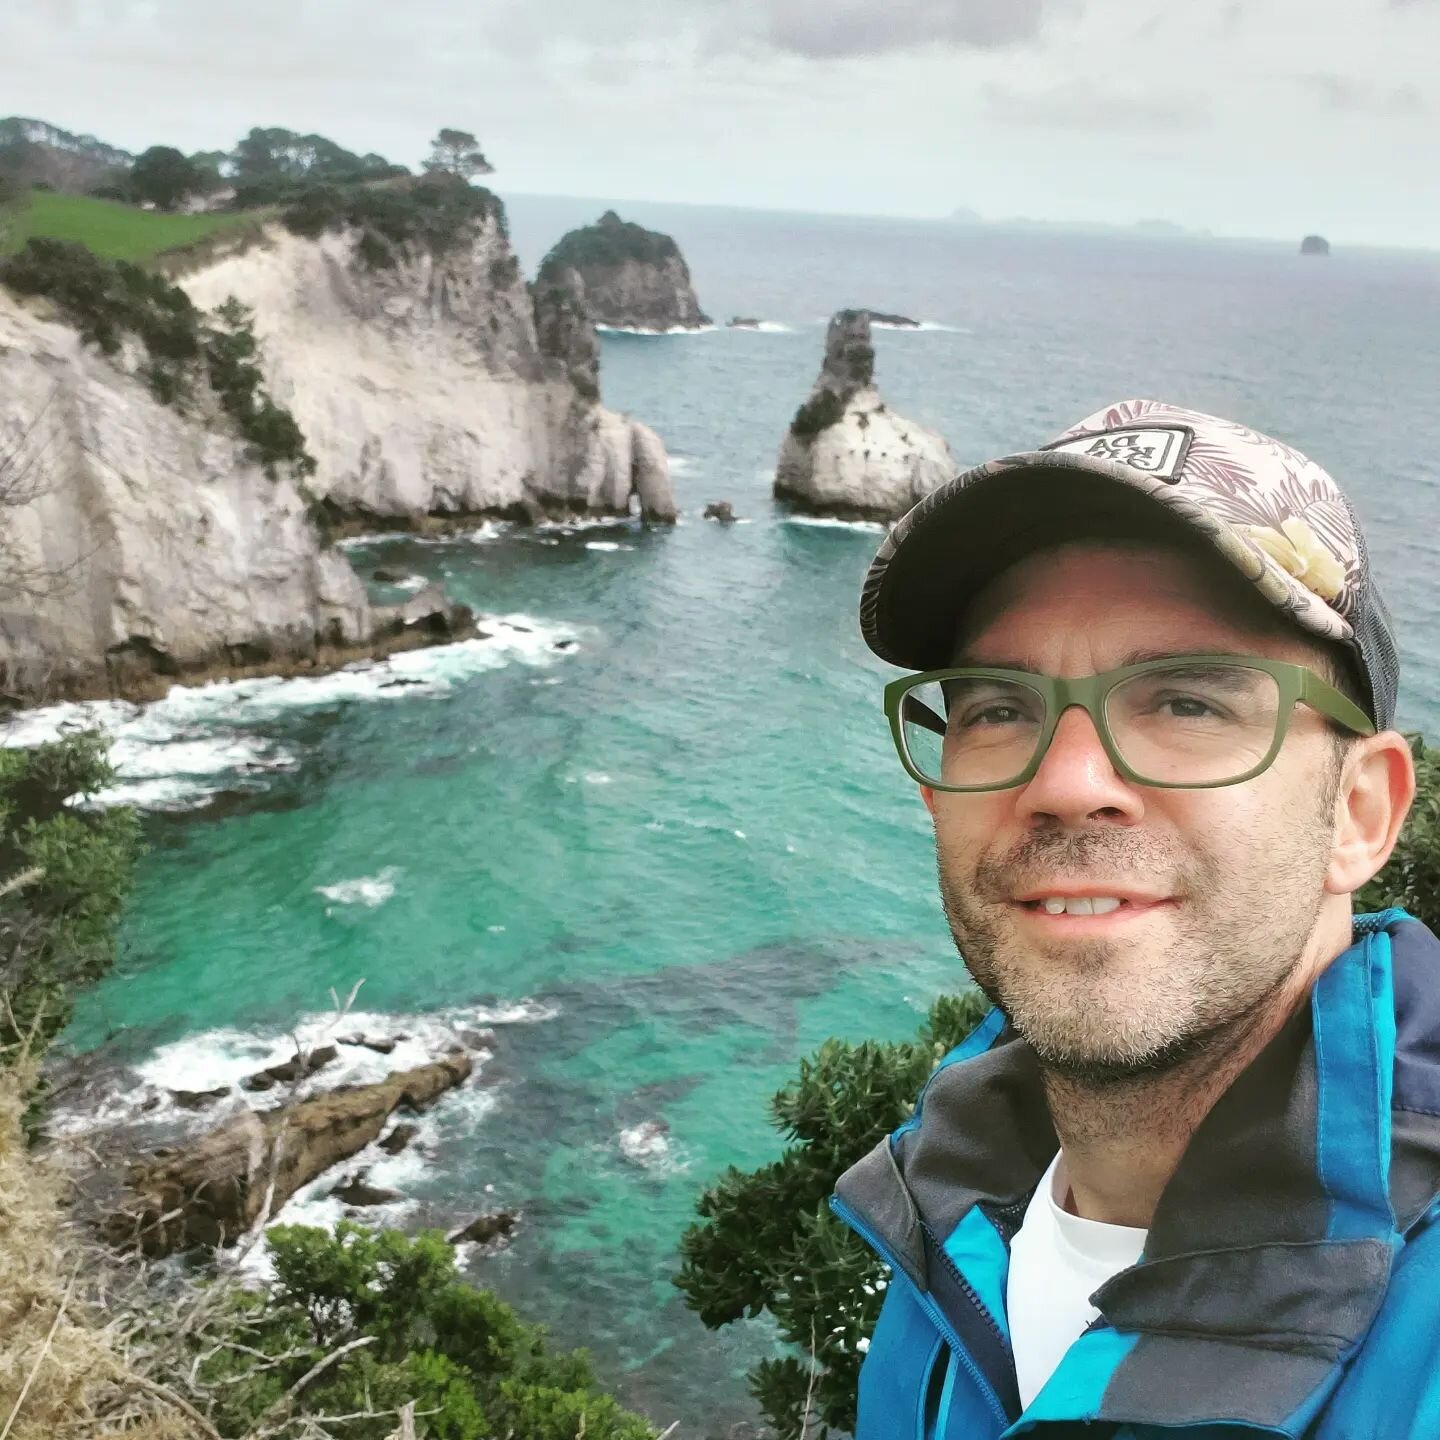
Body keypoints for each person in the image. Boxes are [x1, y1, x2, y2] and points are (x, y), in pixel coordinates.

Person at [832, 399, 1436, 1437]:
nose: (1068, 783)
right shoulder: (945, 1225)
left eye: (1188, 701)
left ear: (1360, 811)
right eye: (996, 707)